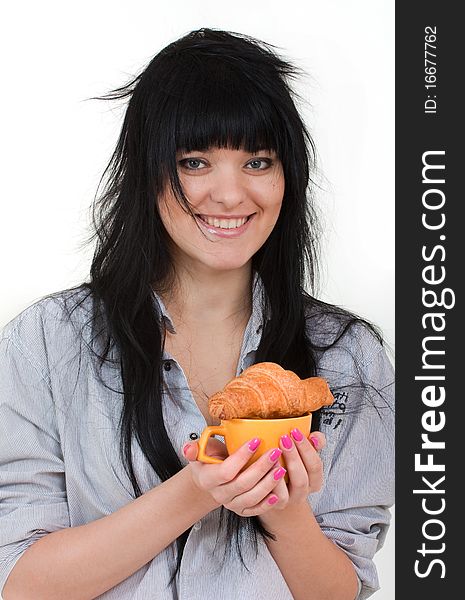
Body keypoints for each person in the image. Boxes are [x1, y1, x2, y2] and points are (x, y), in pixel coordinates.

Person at [0, 28, 394, 600]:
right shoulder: (45, 343)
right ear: (147, 170)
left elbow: (340, 591)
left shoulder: (345, 354)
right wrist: (198, 490)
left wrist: (285, 515)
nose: (231, 195)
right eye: (195, 162)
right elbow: (21, 584)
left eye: (258, 160)